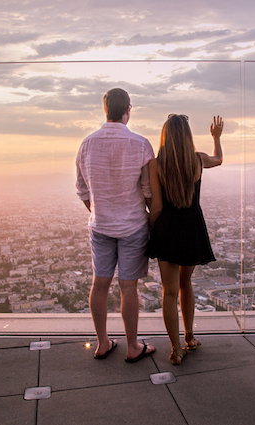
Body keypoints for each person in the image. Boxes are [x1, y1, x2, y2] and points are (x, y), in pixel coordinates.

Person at [76, 88, 156, 363]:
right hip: (133, 225)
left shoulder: (87, 144)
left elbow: (82, 190)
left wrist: (100, 209)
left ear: (105, 109)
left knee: (99, 284)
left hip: (101, 224)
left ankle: (102, 343)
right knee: (128, 287)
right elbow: (147, 190)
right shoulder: (141, 144)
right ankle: (132, 346)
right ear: (128, 109)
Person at [146, 114, 223, 365]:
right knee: (185, 283)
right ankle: (190, 337)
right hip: (191, 227)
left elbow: (156, 207)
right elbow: (219, 159)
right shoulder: (197, 160)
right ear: (187, 135)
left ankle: (176, 349)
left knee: (168, 292)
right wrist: (216, 138)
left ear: (165, 135)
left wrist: (150, 230)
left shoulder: (156, 165)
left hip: (167, 229)